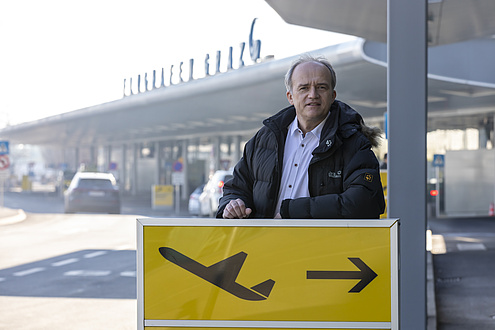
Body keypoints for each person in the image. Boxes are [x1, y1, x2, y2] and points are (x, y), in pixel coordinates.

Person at [216, 54, 385, 219]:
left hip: (322, 246)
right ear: (290, 96)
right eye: (304, 88)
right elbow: (236, 188)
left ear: (333, 96)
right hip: (263, 246)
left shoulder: (353, 142)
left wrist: (293, 211)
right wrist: (231, 205)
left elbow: (365, 202)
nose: (313, 95)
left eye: (321, 87)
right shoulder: (265, 138)